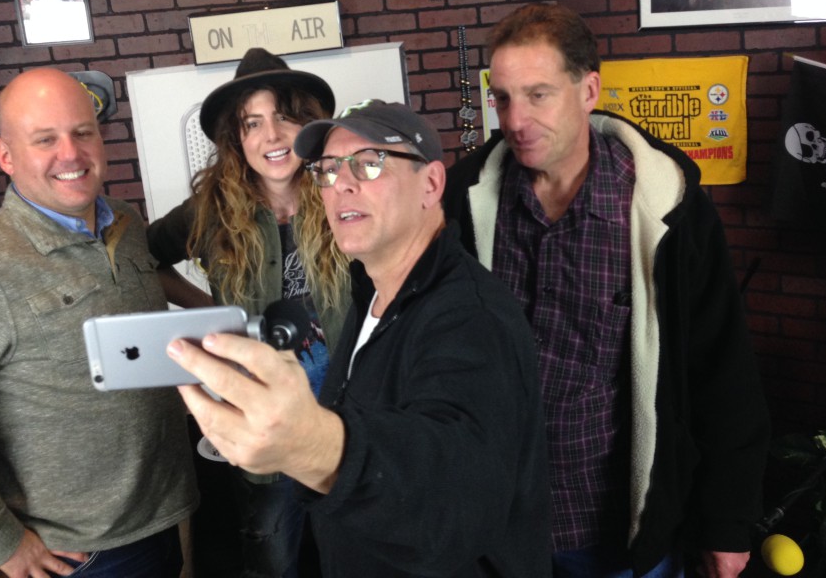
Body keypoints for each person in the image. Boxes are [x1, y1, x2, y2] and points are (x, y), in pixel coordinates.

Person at [442, 3, 770, 578]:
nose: (515, 119)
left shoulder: (665, 209)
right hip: (498, 529)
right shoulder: (464, 204)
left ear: (588, 89)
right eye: (502, 98)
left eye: (538, 94)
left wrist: (728, 521)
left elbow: (723, 372)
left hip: (618, 534)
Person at [166, 100, 552, 578]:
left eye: (370, 164)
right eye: (327, 171)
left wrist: (314, 447)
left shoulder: (471, 317)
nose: (341, 184)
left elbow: (456, 497)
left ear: (431, 184)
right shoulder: (369, 297)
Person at [0, 68, 197, 578]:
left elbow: (135, 291)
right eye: (45, 139)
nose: (70, 154)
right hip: (80, 556)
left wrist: (216, 314)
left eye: (83, 132)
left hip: (165, 514)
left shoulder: (124, 222)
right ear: (7, 156)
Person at [147, 48, 350, 577]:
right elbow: (144, 260)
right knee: (272, 545)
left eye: (285, 117)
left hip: (346, 400)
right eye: (253, 123)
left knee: (351, 536)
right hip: (260, 405)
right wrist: (209, 310)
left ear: (310, 124)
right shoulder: (210, 209)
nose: (272, 136)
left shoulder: (345, 186)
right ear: (236, 139)